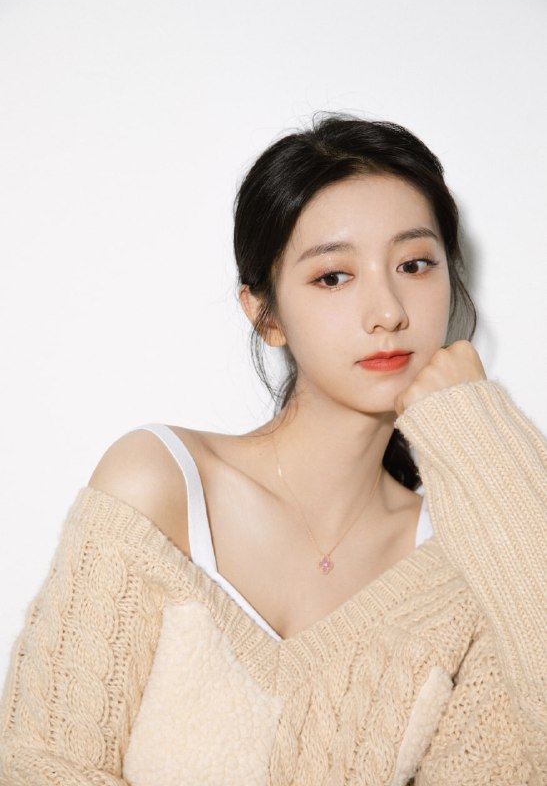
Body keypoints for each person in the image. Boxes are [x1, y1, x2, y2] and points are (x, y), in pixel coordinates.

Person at [0, 113, 545, 786]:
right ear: (265, 314)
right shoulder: (160, 484)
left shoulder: (473, 556)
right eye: (333, 277)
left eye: (413, 265)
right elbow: (42, 764)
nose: (388, 312)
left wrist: (476, 429)